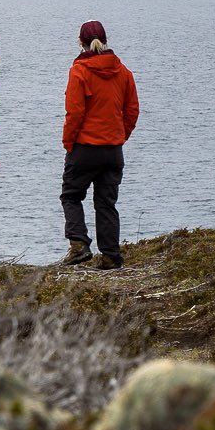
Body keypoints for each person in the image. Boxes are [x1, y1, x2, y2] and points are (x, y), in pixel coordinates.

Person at [60, 20, 139, 269]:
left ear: (80, 42)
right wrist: (120, 135)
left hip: (85, 147)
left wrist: (68, 142)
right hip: (113, 149)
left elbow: (75, 112)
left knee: (71, 195)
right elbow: (132, 110)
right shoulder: (123, 72)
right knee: (106, 203)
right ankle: (111, 256)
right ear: (106, 40)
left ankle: (79, 245)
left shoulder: (80, 71)